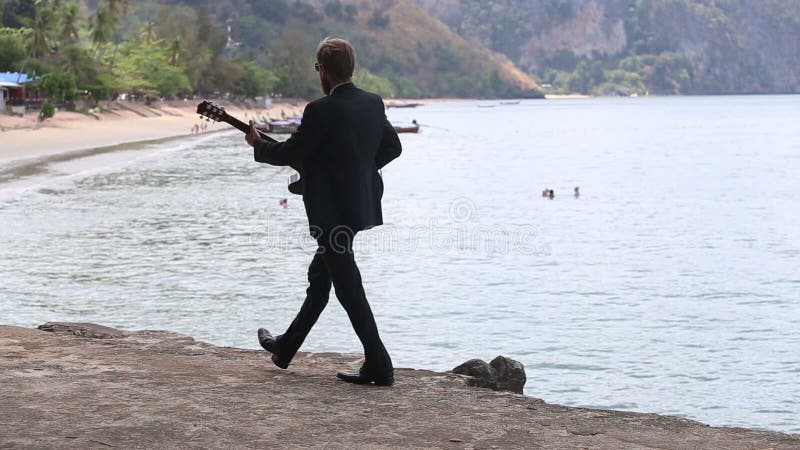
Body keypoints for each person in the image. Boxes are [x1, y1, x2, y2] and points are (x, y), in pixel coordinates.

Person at [245, 38, 402, 386]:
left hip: (330, 212)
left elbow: (290, 152)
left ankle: (380, 364)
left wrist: (258, 144)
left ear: (323, 70)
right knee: (321, 279)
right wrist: (358, 173)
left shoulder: (320, 109)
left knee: (348, 288)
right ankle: (286, 348)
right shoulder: (373, 103)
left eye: (318, 68)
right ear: (352, 67)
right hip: (358, 206)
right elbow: (393, 147)